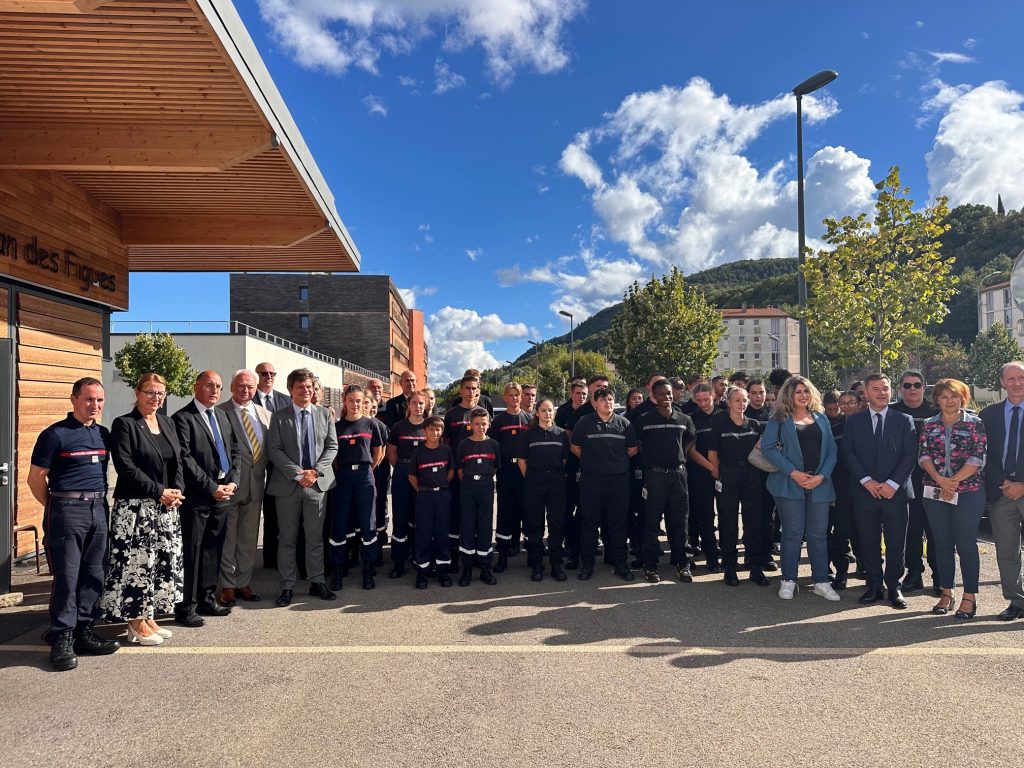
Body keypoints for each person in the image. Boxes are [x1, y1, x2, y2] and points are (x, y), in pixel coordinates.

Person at [28, 377, 120, 671]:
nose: (95, 405)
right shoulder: (55, 435)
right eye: (89, 399)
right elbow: (35, 478)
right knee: (67, 576)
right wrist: (57, 507)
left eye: (100, 400)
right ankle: (62, 637)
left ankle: (84, 630)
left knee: (94, 573)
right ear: (74, 400)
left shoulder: (103, 435)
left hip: (98, 508)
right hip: (68, 508)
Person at [100, 373, 185, 646]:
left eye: (160, 393)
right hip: (136, 510)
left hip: (165, 508)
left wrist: (176, 491)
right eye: (150, 392)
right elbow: (125, 467)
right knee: (136, 565)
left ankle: (148, 617)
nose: (155, 398)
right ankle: (134, 621)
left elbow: (179, 460)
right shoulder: (124, 424)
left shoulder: (167, 423)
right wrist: (159, 491)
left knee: (158, 565)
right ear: (137, 393)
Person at [840, 373, 918, 609]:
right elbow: (848, 453)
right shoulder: (853, 421)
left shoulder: (904, 420)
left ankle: (894, 586)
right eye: (876, 389)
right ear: (866, 392)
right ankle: (874, 585)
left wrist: (892, 484)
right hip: (865, 493)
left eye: (885, 388)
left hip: (895, 493)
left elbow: (909, 455)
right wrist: (867, 481)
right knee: (868, 540)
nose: (881, 393)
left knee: (896, 542)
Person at [762, 376, 840, 601]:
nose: (803, 395)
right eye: (798, 392)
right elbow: (768, 448)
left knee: (818, 534)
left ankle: (821, 581)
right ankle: (788, 580)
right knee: (793, 533)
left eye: (806, 391)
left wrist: (822, 476)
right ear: (789, 394)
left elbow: (832, 451)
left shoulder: (821, 418)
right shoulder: (778, 418)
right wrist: (793, 473)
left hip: (819, 485)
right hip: (789, 484)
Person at [266, 368, 339, 607]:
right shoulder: (279, 416)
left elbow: (332, 447)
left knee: (315, 537)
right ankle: (287, 585)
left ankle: (317, 581)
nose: (306, 391)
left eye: (309, 386)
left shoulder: (324, 414)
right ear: (291, 390)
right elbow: (274, 450)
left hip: (317, 485)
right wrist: (299, 474)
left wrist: (315, 472)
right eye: (300, 387)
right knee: (287, 538)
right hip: (288, 485)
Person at [172, 371, 239, 627]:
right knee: (193, 551)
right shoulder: (183, 418)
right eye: (209, 385)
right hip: (198, 497)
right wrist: (211, 486)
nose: (214, 390)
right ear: (196, 387)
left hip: (223, 494)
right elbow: (185, 458)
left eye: (219, 386)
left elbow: (234, 451)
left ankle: (207, 598)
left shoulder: (222, 416)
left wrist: (233, 481)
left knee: (213, 549)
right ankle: (186, 606)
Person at [918, 378, 987, 619]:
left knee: (966, 544)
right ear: (937, 399)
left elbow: (978, 458)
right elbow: (923, 455)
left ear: (963, 398)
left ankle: (969, 597)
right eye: (944, 397)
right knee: (941, 543)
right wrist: (940, 480)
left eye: (955, 396)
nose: (950, 401)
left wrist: (953, 482)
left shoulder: (975, 424)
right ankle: (947, 593)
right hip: (935, 491)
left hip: (968, 492)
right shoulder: (928, 424)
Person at [570, 386, 638, 581]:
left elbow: (632, 450)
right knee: (589, 524)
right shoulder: (584, 423)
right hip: (592, 481)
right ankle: (587, 565)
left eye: (610, 399)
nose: (607, 402)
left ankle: (620, 564)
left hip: (618, 481)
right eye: (602, 399)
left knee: (618, 523)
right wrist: (594, 462)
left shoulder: (624, 424)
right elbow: (575, 448)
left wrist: (614, 462)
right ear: (595, 402)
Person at [216, 369, 271, 606]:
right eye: (241, 386)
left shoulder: (266, 415)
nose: (245, 391)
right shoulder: (219, 413)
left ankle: (243, 582)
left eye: (250, 387)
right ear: (231, 387)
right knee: (228, 538)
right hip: (230, 487)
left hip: (257, 486)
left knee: (248, 539)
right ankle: (227, 586)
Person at [634, 380, 696, 583]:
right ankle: (650, 566)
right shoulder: (644, 420)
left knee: (680, 520)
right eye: (661, 394)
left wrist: (679, 456)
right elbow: (637, 444)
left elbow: (690, 439)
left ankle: (682, 564)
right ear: (653, 395)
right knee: (652, 521)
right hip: (655, 476)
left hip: (678, 475)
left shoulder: (684, 419)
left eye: (669, 393)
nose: (666, 397)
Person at [708, 386, 769, 587]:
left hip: (752, 474)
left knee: (754, 521)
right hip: (728, 474)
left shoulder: (755, 425)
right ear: (728, 402)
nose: (741, 404)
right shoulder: (719, 425)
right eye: (737, 400)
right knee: (728, 521)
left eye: (744, 400)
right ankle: (730, 566)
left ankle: (754, 566)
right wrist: (720, 476)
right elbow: (713, 456)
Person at [979, 362, 1024, 621]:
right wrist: (1005, 483)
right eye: (1012, 379)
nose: (1017, 383)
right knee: (1007, 551)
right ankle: (1016, 601)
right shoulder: (988, 415)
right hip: (1001, 492)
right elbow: (983, 455)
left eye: (1021, 378)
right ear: (1002, 382)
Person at [331, 384, 385, 591]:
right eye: (351, 400)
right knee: (340, 523)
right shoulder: (337, 427)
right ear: (344, 401)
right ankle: (338, 569)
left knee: (367, 522)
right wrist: (345, 470)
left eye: (359, 401)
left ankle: (368, 569)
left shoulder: (371, 425)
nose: (355, 404)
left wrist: (366, 469)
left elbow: (378, 453)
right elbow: (334, 457)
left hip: (365, 476)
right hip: (343, 476)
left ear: (364, 403)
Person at [891, 370, 940, 594]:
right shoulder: (892, 412)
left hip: (934, 482)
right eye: (907, 385)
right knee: (910, 531)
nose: (912, 389)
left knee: (936, 531)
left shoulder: (936, 411)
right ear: (900, 388)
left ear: (924, 387)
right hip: (903, 482)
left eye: (916, 385)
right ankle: (913, 573)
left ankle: (940, 575)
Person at [518, 398, 570, 581]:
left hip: (556, 484)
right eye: (544, 410)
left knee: (556, 525)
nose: (547, 414)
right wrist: (532, 477)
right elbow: (522, 461)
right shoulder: (529, 435)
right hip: (534, 485)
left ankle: (556, 565)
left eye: (550, 410)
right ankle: (537, 565)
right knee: (535, 525)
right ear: (537, 413)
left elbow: (564, 459)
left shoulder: (561, 434)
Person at [408, 416, 455, 588]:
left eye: (438, 429)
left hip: (442, 495)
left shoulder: (446, 451)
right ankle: (423, 572)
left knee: (442, 532)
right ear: (424, 431)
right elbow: (412, 476)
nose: (434, 433)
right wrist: (422, 490)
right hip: (424, 496)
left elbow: (450, 472)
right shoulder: (418, 453)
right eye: (431, 429)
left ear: (441, 431)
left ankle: (443, 571)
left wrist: (442, 486)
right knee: (424, 533)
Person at [489, 382, 531, 571]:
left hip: (526, 472)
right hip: (506, 470)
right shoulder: (498, 421)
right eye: (511, 395)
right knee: (506, 514)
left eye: (518, 395)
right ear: (505, 397)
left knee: (528, 512)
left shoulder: (530, 419)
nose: (515, 398)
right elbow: (493, 448)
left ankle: (532, 557)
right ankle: (503, 558)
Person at [456, 408, 500, 586]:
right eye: (477, 424)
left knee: (485, 526)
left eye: (484, 423)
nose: (480, 427)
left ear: (489, 424)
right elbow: (460, 470)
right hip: (468, 487)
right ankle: (466, 569)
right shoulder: (464, 445)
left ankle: (485, 568)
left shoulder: (494, 444)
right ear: (470, 425)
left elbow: (495, 467)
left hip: (486, 486)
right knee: (467, 526)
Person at [386, 389, 427, 578]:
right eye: (414, 403)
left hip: (425, 476)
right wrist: (404, 469)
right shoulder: (398, 427)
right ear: (408, 405)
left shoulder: (430, 427)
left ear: (425, 405)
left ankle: (420, 559)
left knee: (421, 519)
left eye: (421, 403)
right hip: (402, 475)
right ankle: (399, 561)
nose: (418, 406)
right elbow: (391, 453)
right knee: (401, 519)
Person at [254, 362, 289, 570]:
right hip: (257, 462)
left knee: (277, 511)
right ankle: (267, 557)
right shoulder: (250, 399)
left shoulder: (284, 400)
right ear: (258, 375)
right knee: (260, 511)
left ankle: (277, 557)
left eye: (272, 373)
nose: (268, 377)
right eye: (264, 373)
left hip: (279, 465)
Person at [443, 376, 481, 571]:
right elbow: (447, 444)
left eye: (474, 388)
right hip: (458, 472)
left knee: (474, 514)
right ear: (461, 391)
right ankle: (454, 554)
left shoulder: (482, 413)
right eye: (467, 388)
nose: (471, 392)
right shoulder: (451, 414)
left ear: (478, 390)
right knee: (457, 512)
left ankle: (473, 552)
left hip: (477, 471)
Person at [685, 383, 720, 572]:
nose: (703, 403)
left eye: (706, 399)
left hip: (724, 472)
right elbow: (690, 449)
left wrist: (719, 469)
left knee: (726, 515)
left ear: (713, 396)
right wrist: (711, 467)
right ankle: (711, 558)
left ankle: (725, 553)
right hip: (700, 473)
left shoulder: (724, 415)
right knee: (704, 516)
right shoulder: (691, 419)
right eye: (698, 401)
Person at [556, 379, 589, 568]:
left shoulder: (591, 411)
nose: (581, 396)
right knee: (568, 507)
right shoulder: (563, 412)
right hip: (569, 463)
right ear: (571, 393)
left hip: (588, 464)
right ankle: (568, 542)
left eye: (584, 394)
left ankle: (584, 543)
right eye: (578, 393)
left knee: (585, 507)